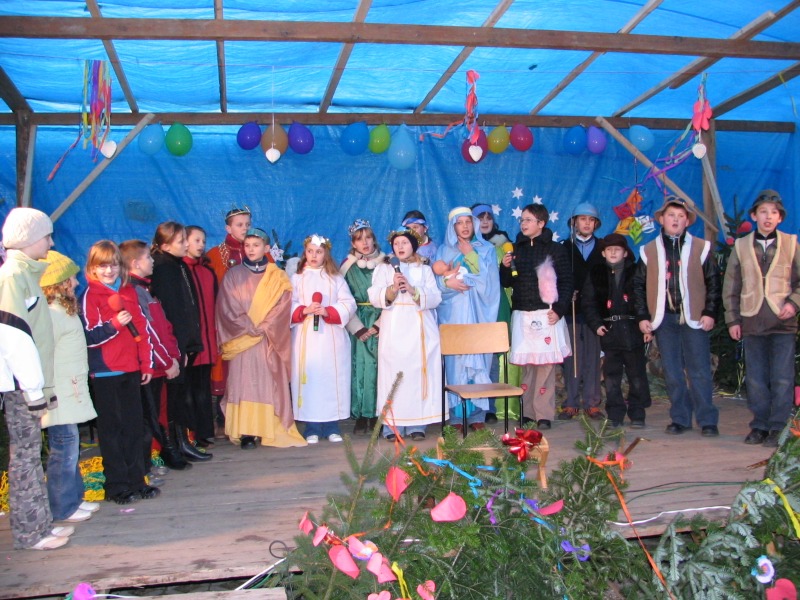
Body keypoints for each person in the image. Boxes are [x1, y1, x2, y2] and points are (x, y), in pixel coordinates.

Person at [0, 207, 71, 550]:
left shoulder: (25, 274)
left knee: (32, 454)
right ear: (28, 239)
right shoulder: (13, 277)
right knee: (26, 458)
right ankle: (31, 532)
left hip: (29, 382)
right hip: (19, 385)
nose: (51, 242)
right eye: (46, 236)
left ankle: (41, 523)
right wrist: (32, 389)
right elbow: (15, 337)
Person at [633, 197, 721, 437]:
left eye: (681, 216)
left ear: (687, 222)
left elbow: (713, 282)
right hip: (665, 320)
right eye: (671, 215)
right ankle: (680, 418)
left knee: (699, 370)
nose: (676, 219)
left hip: (694, 318)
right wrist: (643, 316)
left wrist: (709, 312)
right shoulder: (648, 251)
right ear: (662, 219)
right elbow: (638, 285)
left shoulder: (701, 248)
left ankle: (707, 420)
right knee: (672, 372)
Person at [80, 240, 159, 504]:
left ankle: (138, 480)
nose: (109, 271)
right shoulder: (90, 296)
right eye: (102, 266)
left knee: (134, 428)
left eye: (113, 265)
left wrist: (146, 364)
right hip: (105, 374)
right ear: (92, 268)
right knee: (111, 432)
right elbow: (89, 337)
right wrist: (114, 324)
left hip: (131, 370)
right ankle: (116, 485)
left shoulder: (129, 291)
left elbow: (142, 329)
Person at [722, 190, 800, 447]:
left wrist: (793, 303)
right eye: (763, 212)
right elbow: (731, 286)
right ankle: (760, 425)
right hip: (752, 322)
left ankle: (778, 426)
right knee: (755, 378)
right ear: (754, 216)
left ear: (780, 218)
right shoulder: (742, 246)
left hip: (782, 323)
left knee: (782, 377)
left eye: (774, 213)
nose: (768, 217)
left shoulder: (791, 244)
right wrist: (733, 320)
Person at [216, 228, 306, 449]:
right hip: (242, 339)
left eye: (256, 246)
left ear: (266, 248)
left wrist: (264, 326)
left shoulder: (278, 277)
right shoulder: (233, 275)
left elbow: (283, 306)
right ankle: (246, 431)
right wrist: (248, 326)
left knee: (267, 384)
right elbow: (227, 307)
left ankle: (268, 428)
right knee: (243, 384)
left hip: (268, 339)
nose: (251, 249)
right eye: (247, 245)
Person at [39, 251, 100, 523]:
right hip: (59, 393)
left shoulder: (64, 311)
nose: (76, 283)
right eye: (71, 279)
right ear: (59, 283)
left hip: (70, 389)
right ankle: (63, 507)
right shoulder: (52, 314)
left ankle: (75, 499)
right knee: (63, 450)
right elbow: (44, 354)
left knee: (71, 448)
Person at [500, 203, 572, 430]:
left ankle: (543, 414)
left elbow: (567, 282)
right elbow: (506, 282)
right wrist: (505, 267)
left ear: (541, 223)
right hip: (522, 313)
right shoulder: (515, 250)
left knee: (546, 367)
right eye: (522, 219)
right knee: (528, 367)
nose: (523, 223)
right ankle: (528, 413)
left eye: (528, 220)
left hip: (546, 313)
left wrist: (559, 310)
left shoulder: (556, 250)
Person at [368, 229, 443, 441]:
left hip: (419, 328)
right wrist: (392, 289)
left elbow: (435, 297)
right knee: (393, 374)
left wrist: (412, 289)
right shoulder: (384, 268)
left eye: (405, 243)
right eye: (396, 243)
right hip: (393, 327)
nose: (400, 247)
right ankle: (392, 425)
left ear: (413, 246)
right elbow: (374, 295)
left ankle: (417, 423)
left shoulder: (424, 269)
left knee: (416, 374)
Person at [119, 240, 186, 473]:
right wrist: (167, 361)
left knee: (158, 414)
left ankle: (155, 459)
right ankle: (143, 469)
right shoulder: (133, 293)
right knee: (148, 418)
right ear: (135, 263)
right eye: (148, 257)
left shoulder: (145, 290)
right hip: (151, 367)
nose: (152, 261)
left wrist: (174, 355)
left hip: (160, 365)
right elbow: (146, 333)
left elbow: (164, 326)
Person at [150, 221, 211, 462]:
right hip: (175, 345)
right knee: (174, 399)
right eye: (181, 241)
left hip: (185, 342)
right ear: (165, 245)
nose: (186, 244)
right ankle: (172, 446)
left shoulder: (178, 265)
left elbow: (189, 305)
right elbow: (172, 312)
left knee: (181, 396)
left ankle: (183, 442)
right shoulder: (163, 268)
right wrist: (178, 347)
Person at [435, 206, 500, 432]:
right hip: (453, 315)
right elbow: (434, 286)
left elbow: (490, 283)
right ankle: (455, 416)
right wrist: (448, 283)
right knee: (455, 364)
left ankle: (477, 415)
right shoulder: (443, 251)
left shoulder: (487, 249)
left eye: (468, 222)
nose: (464, 226)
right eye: (459, 223)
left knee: (479, 360)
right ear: (452, 227)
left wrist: (471, 254)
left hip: (478, 314)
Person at [290, 234, 356, 443]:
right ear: (305, 253)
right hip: (306, 337)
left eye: (318, 252)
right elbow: (287, 303)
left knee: (330, 379)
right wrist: (304, 309)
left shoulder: (335, 278)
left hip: (331, 338)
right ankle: (311, 427)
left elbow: (349, 303)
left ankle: (332, 426)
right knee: (309, 379)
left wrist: (329, 311)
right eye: (310, 251)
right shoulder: (297, 278)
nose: (313, 256)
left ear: (325, 254)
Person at [581, 234, 652, 428]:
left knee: (637, 375)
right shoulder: (596, 273)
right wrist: (596, 324)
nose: (613, 252)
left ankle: (637, 414)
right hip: (609, 331)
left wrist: (646, 324)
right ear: (603, 253)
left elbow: (645, 298)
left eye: (617, 249)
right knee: (612, 377)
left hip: (633, 329)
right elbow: (588, 302)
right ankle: (615, 415)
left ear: (625, 253)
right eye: (609, 249)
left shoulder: (636, 271)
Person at [206, 206, 254, 436]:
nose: (244, 229)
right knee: (225, 367)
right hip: (226, 322)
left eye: (247, 224)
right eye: (239, 225)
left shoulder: (257, 250)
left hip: (253, 322)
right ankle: (223, 416)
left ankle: (251, 417)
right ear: (228, 228)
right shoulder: (216, 255)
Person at [471, 203, 516, 424]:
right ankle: (471, 407)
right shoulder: (465, 247)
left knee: (492, 357)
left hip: (497, 304)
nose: (485, 222)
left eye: (488, 218)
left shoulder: (503, 245)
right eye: (480, 218)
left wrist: (507, 267)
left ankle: (489, 407)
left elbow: (508, 280)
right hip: (473, 304)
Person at [560, 203, 605, 421]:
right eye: (582, 219)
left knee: (593, 358)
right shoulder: (564, 247)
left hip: (596, 313)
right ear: (574, 222)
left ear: (596, 224)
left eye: (591, 220)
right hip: (571, 311)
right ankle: (570, 402)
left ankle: (592, 402)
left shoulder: (604, 248)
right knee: (572, 359)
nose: (587, 223)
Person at [340, 219, 385, 435]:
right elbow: (342, 298)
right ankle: (360, 414)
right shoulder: (347, 268)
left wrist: (380, 324)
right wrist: (357, 328)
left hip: (381, 321)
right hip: (357, 321)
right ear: (353, 243)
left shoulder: (386, 264)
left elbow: (393, 297)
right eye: (359, 239)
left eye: (368, 238)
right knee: (359, 367)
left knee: (379, 367)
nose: (365, 243)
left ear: (374, 239)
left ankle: (378, 412)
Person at [183, 225, 220, 447]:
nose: (201, 245)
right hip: (190, 343)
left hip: (207, 341)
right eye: (196, 240)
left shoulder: (207, 272)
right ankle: (190, 433)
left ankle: (205, 432)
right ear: (184, 242)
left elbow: (215, 305)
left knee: (203, 389)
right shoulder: (180, 271)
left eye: (203, 241)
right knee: (188, 391)